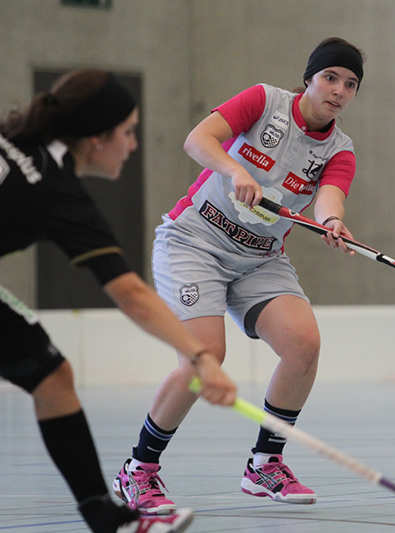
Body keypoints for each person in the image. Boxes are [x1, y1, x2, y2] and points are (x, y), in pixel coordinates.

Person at [113, 37, 365, 514]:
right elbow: (197, 139)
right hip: (194, 243)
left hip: (260, 259)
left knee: (304, 344)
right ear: (309, 78)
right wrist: (235, 171)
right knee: (204, 357)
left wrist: (332, 221)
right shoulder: (264, 101)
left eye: (350, 84)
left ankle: (264, 465)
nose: (338, 90)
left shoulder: (340, 150)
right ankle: (138, 470)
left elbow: (330, 196)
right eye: (330, 77)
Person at [0, 68, 237, 533]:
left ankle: (107, 518)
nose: (133, 145)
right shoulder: (55, 190)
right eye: (127, 132)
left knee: (52, 377)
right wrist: (200, 358)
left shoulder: (17, 142)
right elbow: (130, 294)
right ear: (96, 137)